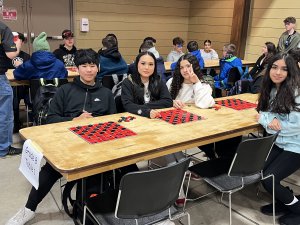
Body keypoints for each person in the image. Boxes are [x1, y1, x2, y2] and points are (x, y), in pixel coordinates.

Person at [5, 49, 117, 225]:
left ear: (98, 68)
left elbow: (113, 123)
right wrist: (74, 120)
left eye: (92, 66)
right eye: (84, 66)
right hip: (68, 145)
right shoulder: (65, 91)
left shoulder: (106, 94)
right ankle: (29, 209)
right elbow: (51, 119)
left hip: (98, 147)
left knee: (124, 166)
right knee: (49, 171)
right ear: (77, 69)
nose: (89, 70)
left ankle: (132, 207)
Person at [121, 51, 174, 225]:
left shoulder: (158, 79)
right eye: (143, 63)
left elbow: (167, 101)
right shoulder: (128, 81)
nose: (146, 67)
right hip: (134, 125)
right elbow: (127, 105)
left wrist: (144, 107)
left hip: (155, 123)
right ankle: (139, 191)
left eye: (150, 64)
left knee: (171, 146)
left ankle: (169, 190)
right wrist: (146, 111)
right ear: (137, 64)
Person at [256, 52, 300, 225]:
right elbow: (262, 113)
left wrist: (269, 123)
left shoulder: (296, 92)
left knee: (269, 179)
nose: (278, 72)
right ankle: (285, 199)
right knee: (262, 173)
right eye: (274, 67)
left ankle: (297, 208)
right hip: (280, 142)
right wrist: (269, 121)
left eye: (284, 69)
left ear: (291, 72)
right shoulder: (273, 89)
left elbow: (295, 126)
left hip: (296, 145)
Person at [0, 21, 22, 157]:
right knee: (4, 114)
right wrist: (17, 45)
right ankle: (3, 148)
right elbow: (11, 54)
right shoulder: (2, 28)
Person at [9, 32, 31, 133]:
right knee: (14, 94)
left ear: (22, 42)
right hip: (11, 87)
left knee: (29, 96)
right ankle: (15, 124)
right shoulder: (7, 55)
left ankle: (31, 121)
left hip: (25, 87)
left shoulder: (26, 56)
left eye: (18, 40)